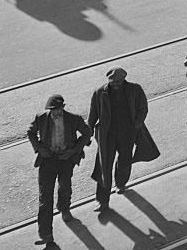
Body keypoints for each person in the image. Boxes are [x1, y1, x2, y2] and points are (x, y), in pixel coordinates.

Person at [87, 67, 157, 212]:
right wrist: (88, 132)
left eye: (118, 81)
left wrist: (136, 125)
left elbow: (143, 108)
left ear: (124, 79)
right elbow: (93, 114)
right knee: (104, 166)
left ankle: (121, 183)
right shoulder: (100, 92)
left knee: (125, 161)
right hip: (108, 135)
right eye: (113, 81)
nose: (115, 84)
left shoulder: (135, 89)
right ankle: (102, 201)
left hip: (128, 133)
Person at [27, 94, 92, 246]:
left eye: (58, 109)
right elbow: (30, 132)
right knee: (45, 198)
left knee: (65, 187)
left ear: (63, 107)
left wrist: (74, 150)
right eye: (52, 110)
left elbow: (87, 133)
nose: (55, 113)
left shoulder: (73, 118)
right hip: (47, 161)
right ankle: (46, 235)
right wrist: (39, 149)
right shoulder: (41, 118)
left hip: (66, 160)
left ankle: (64, 208)